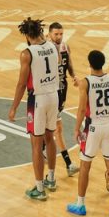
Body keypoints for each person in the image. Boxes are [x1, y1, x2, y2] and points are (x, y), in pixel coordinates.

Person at [7, 17, 60, 201]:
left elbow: (22, 84)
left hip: (38, 99)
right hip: (54, 95)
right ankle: (51, 179)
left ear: (28, 35)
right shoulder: (54, 46)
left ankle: (39, 188)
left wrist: (13, 107)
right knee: (50, 138)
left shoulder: (27, 53)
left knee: (36, 145)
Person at [68, 48, 109, 217]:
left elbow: (82, 109)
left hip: (93, 127)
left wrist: (77, 128)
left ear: (90, 64)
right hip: (108, 125)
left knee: (85, 165)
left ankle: (80, 204)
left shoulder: (86, 82)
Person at [48, 22, 76, 176]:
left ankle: (43, 148)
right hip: (50, 91)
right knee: (58, 128)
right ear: (49, 34)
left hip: (62, 88)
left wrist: (74, 76)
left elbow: (69, 65)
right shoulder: (46, 48)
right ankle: (68, 163)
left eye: (61, 34)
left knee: (52, 126)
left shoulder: (65, 47)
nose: (59, 37)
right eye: (56, 34)